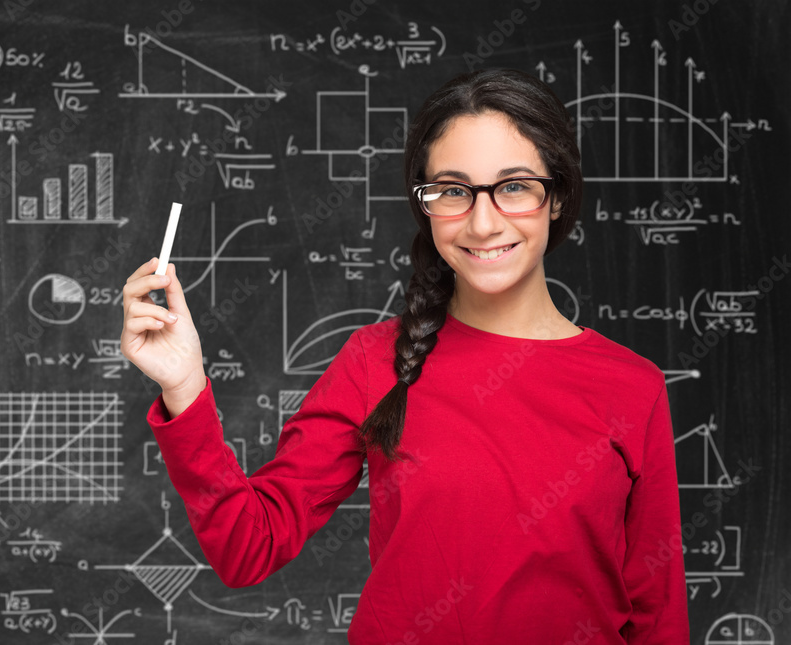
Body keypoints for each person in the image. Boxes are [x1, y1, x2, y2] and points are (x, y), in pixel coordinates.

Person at [120, 68, 689, 643]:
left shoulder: (631, 387)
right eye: (453, 191)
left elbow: (657, 614)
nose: (484, 222)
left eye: (514, 186)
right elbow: (249, 547)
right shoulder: (374, 361)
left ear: (558, 195)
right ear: (426, 204)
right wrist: (185, 388)